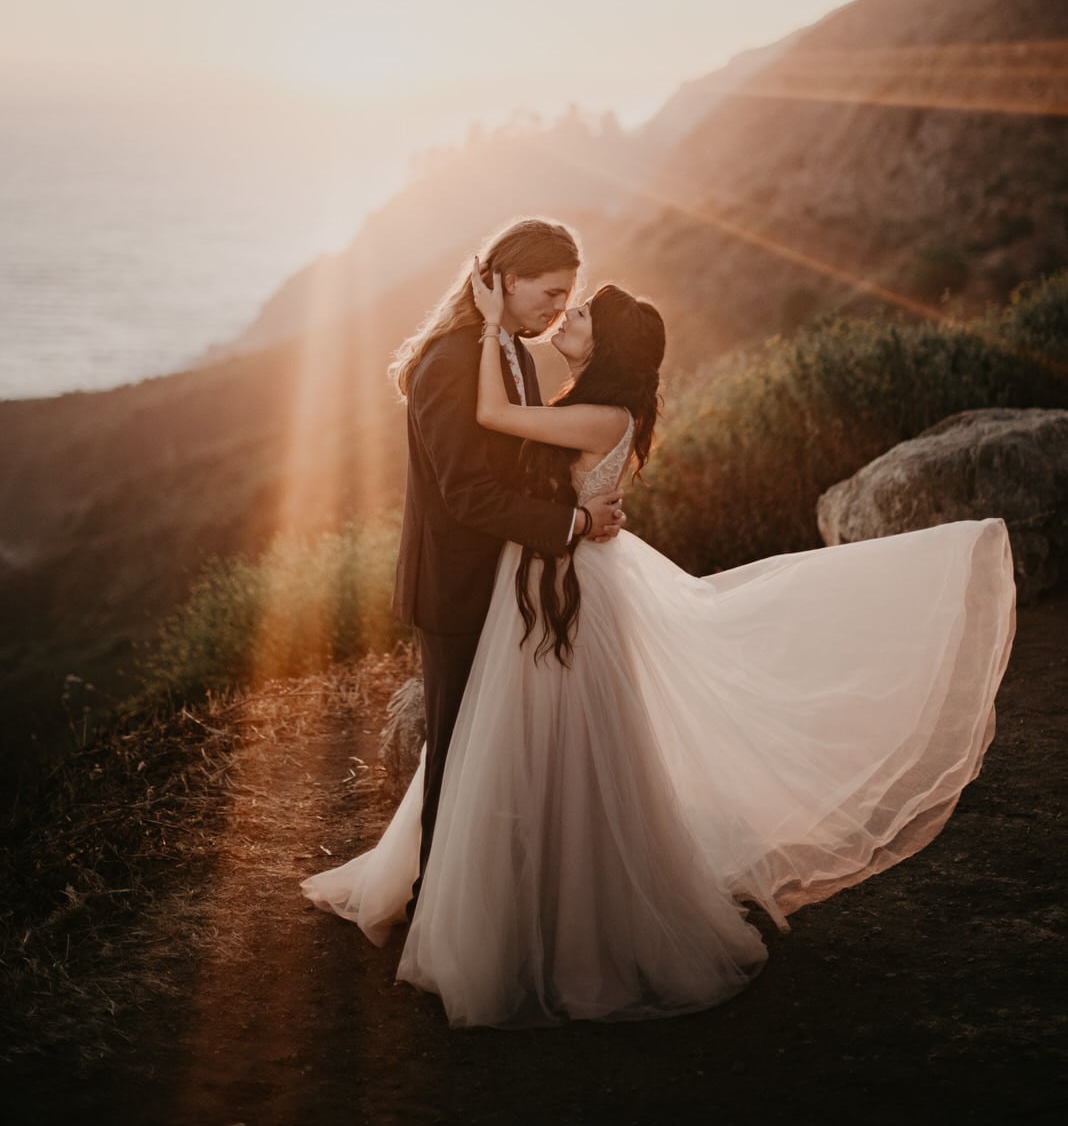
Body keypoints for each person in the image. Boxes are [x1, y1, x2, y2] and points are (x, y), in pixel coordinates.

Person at [302, 265, 1017, 1029]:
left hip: (564, 587)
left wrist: (485, 323)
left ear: (606, 347)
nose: (565, 315)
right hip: (553, 578)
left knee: (564, 749)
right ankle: (519, 895)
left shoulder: (600, 416)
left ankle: (556, 919)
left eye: (580, 314)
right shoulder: (593, 408)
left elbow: (490, 414)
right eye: (562, 301)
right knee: (548, 747)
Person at [380, 218, 625, 922]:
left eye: (566, 296)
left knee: (491, 753)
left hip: (503, 582)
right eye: (550, 292)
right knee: (456, 752)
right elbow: (467, 494)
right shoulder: (450, 362)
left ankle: (489, 896)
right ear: (507, 282)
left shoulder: (507, 349)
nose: (557, 309)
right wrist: (572, 525)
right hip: (455, 587)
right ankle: (437, 911)